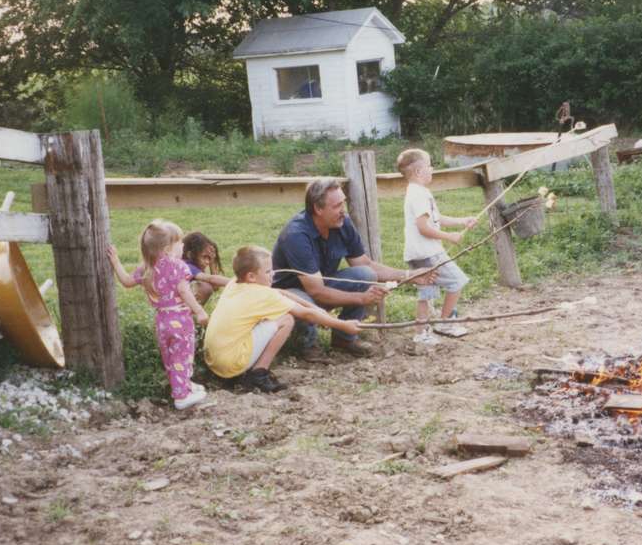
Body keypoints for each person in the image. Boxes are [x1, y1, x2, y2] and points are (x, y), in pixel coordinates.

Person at [272, 178, 433, 361]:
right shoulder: (296, 235)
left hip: (320, 285)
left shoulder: (342, 223)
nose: (343, 211)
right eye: (337, 206)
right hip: (289, 294)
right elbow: (316, 291)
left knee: (365, 275)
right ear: (318, 208)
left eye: (344, 203)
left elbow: (365, 264)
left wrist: (409, 275)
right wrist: (361, 298)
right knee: (302, 299)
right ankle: (306, 346)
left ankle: (344, 340)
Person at [203, 245, 361, 392]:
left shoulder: (234, 284)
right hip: (231, 363)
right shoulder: (263, 295)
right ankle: (258, 374)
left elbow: (280, 292)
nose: (273, 274)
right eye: (268, 272)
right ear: (251, 276)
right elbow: (306, 314)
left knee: (267, 319)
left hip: (214, 361)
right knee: (286, 320)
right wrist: (342, 325)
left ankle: (244, 372)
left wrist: (315, 307)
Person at [106, 219, 210, 411]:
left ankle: (182, 384)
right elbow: (185, 292)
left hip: (162, 321)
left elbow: (127, 281)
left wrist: (115, 262)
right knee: (183, 355)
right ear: (168, 249)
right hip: (180, 320)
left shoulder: (146, 268)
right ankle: (182, 396)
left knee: (170, 357)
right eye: (179, 243)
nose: (182, 247)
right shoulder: (179, 267)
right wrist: (200, 311)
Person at [397, 148, 477, 344]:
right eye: (429, 165)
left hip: (419, 252)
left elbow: (436, 219)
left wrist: (462, 221)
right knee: (456, 281)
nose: (432, 169)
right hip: (428, 252)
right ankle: (444, 323)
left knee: (426, 292)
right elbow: (423, 227)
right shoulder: (418, 195)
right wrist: (449, 237)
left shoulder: (419, 192)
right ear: (418, 172)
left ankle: (421, 333)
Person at [182, 231, 230, 305]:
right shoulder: (187, 266)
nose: (207, 262)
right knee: (204, 287)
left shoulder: (195, 265)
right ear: (190, 255)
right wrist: (236, 282)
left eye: (209, 258)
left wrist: (212, 262)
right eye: (204, 257)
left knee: (206, 287)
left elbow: (215, 287)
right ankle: (188, 314)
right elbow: (211, 279)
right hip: (173, 304)